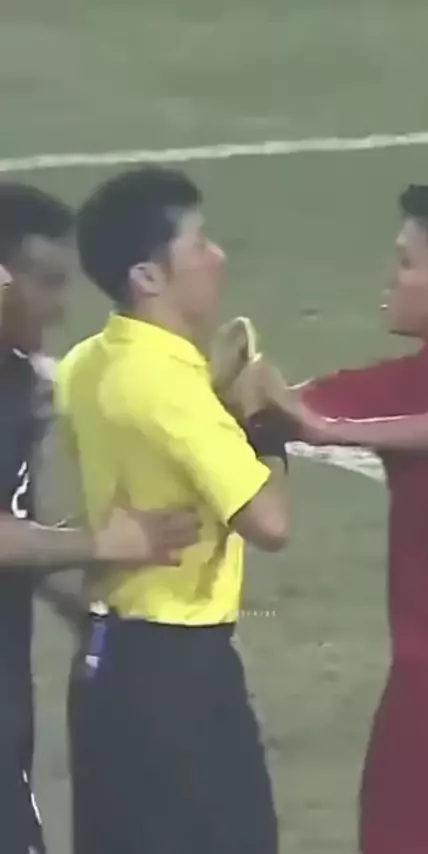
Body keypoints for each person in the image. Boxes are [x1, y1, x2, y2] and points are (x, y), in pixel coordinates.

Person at [236, 184, 428, 854]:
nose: (389, 277)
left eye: (407, 262)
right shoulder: (399, 387)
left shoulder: (402, 387)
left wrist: (319, 423)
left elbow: (282, 411)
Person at [56, 166, 290, 854]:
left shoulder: (85, 363)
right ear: (148, 276)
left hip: (105, 668)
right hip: (180, 678)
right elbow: (270, 523)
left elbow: (148, 441)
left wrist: (213, 397)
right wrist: (263, 425)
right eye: (199, 244)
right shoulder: (169, 386)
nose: (218, 257)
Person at [0, 182, 200, 854]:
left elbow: (14, 520)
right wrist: (104, 543)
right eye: (45, 282)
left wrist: (88, 605)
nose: (60, 305)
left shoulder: (18, 382)